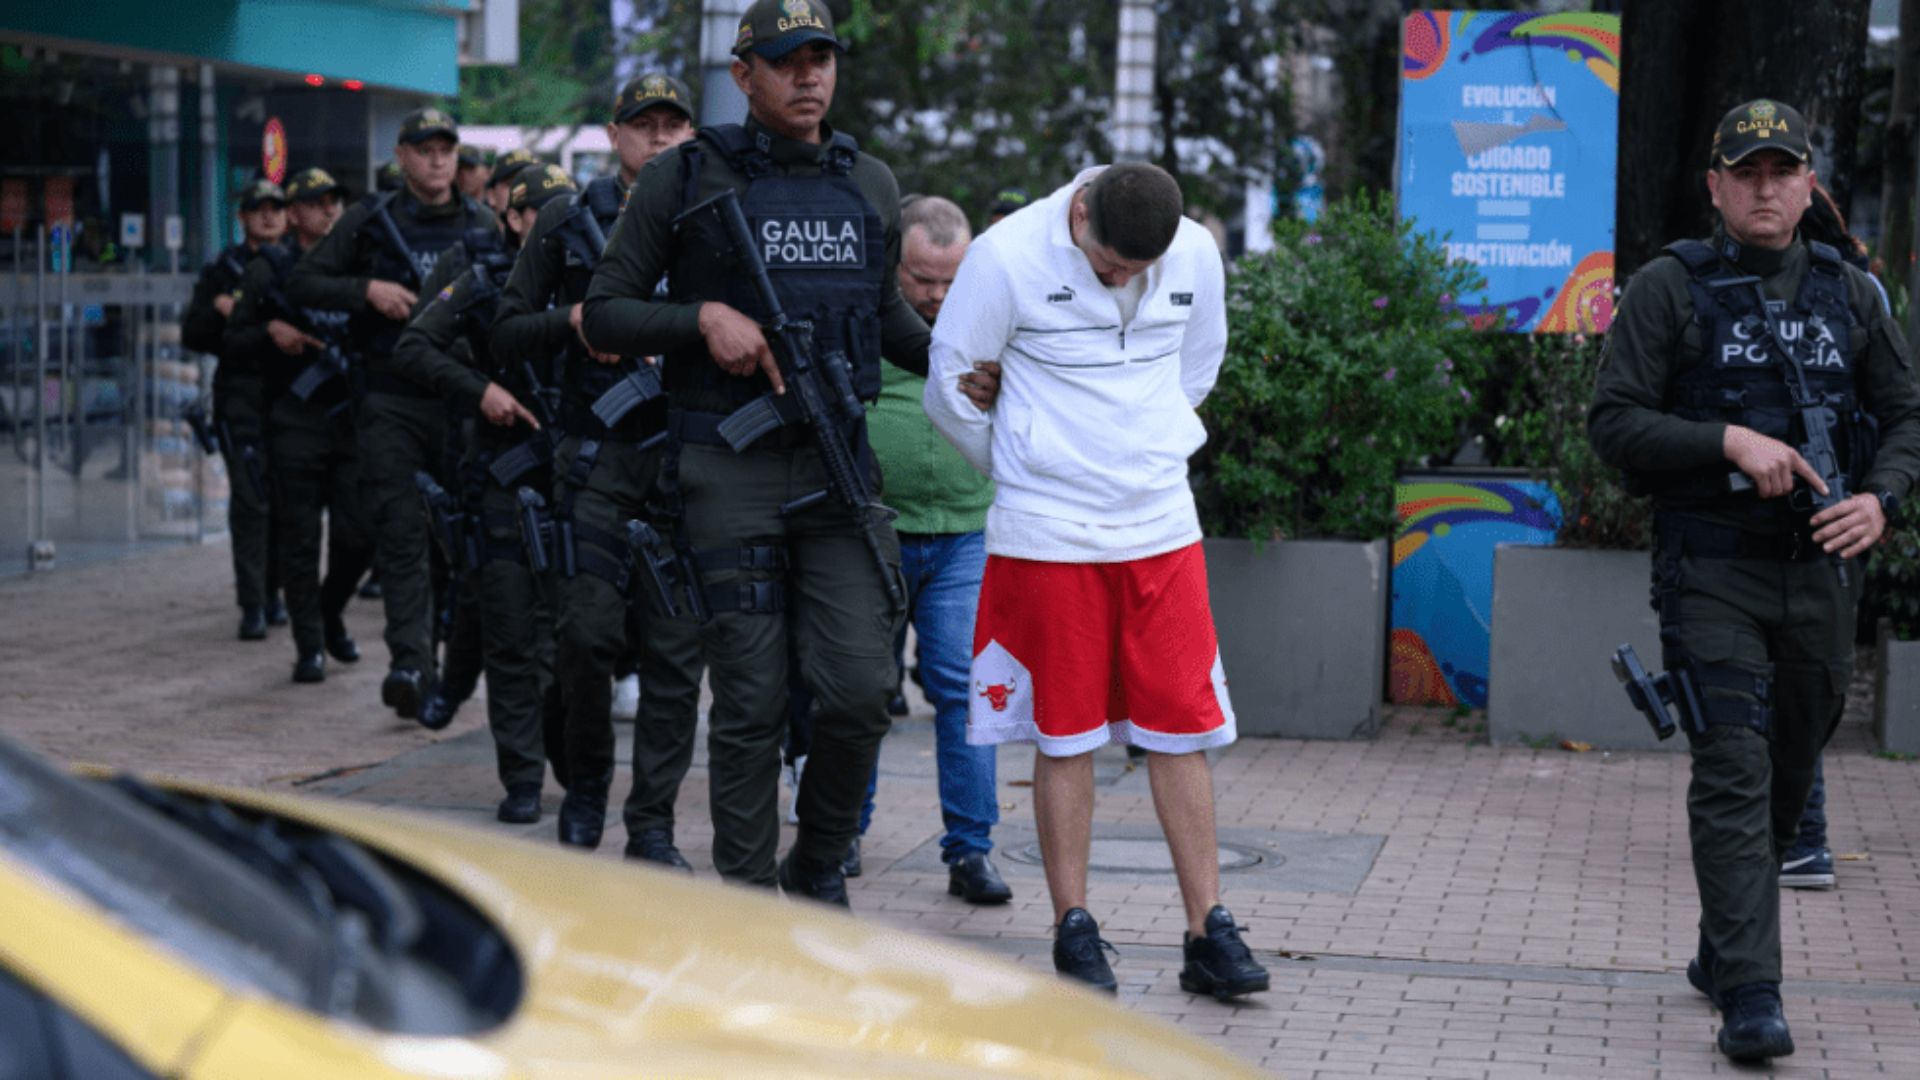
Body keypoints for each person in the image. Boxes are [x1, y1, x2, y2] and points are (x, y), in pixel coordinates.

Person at [581, 0, 937, 903]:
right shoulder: (685, 177)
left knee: (861, 692)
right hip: (727, 466)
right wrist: (702, 318)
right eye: (787, 61)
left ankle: (815, 859)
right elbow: (607, 309)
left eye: (821, 58)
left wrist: (967, 363)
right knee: (748, 702)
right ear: (745, 78)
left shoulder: (872, 183)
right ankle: (746, 900)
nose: (809, 76)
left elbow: (885, 317)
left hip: (837, 469)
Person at [1589, 98, 1920, 1062]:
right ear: (1718, 188)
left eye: (1784, 171)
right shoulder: (1670, 290)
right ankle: (1752, 996)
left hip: (1821, 571)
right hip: (1713, 570)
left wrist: (1884, 500)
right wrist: (1724, 439)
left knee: (1787, 770)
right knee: (1733, 766)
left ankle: (1722, 946)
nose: (1767, 187)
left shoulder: (1851, 294)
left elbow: (1906, 416)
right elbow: (1613, 424)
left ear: (1810, 184)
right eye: (1749, 172)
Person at [923, 162, 1269, 1000]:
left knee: (1183, 726)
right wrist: (1025, 460)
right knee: (1065, 732)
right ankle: (1073, 925)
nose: (1121, 278)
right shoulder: (1006, 259)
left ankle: (1207, 928)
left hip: (1160, 523)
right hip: (1049, 532)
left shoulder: (1190, 253)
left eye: (1135, 271)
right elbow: (949, 386)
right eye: (1109, 263)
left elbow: (1200, 364)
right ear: (1079, 213)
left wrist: (1143, 443)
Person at [491, 72, 704, 862]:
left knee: (678, 653)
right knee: (584, 638)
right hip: (597, 456)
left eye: (673, 126)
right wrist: (575, 320)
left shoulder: (718, 219)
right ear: (614, 137)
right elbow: (505, 333)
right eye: (642, 125)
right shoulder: (564, 222)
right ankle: (585, 787)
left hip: (687, 453)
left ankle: (651, 823)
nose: (658, 138)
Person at [287, 106, 495, 722]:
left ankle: (440, 661)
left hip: (461, 403)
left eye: (445, 149)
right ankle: (412, 666)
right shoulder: (369, 223)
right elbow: (304, 282)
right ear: (401, 157)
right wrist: (366, 292)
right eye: (423, 149)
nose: (436, 159)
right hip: (391, 401)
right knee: (402, 534)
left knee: (451, 544)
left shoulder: (484, 225)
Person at [393, 163, 575, 823]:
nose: (560, 228)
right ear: (515, 218)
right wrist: (482, 391)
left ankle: (565, 756)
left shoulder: (590, 286)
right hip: (503, 480)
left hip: (575, 484)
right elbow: (414, 346)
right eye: (545, 213)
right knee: (511, 636)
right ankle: (522, 777)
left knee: (573, 641)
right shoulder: (481, 282)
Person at [863, 193, 1009, 903]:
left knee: (963, 690)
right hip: (873, 533)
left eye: (950, 280)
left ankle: (972, 851)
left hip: (962, 533)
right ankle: (839, 834)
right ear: (895, 262)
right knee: (860, 692)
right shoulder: (863, 310)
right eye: (921, 279)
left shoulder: (992, 311)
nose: (936, 295)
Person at [224, 167, 370, 684]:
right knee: (300, 540)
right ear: (293, 212)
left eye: (333, 201)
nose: (327, 210)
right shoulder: (270, 269)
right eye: (315, 202)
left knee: (359, 535)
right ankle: (310, 645)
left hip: (350, 418)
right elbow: (229, 341)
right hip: (295, 422)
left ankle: (330, 613)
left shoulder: (358, 265)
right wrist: (270, 329)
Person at [183, 178, 289, 641]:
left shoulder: (299, 265)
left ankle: (275, 590)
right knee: (250, 500)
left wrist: (247, 318)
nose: (268, 216)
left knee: (288, 503)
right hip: (241, 398)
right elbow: (194, 333)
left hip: (292, 399)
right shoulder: (222, 271)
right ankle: (254, 602)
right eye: (258, 209)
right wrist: (222, 313)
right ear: (242, 216)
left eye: (275, 208)